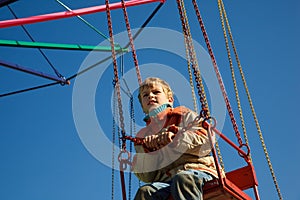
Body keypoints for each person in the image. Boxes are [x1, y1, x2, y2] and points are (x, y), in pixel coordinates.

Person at [131, 77, 218, 200]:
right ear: (143, 106)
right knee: (145, 192)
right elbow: (147, 176)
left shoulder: (183, 115)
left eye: (156, 92)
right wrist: (149, 152)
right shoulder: (143, 136)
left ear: (170, 99)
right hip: (167, 180)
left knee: (183, 179)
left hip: (197, 170)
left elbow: (205, 141)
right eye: (145, 95)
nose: (150, 96)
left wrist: (176, 138)